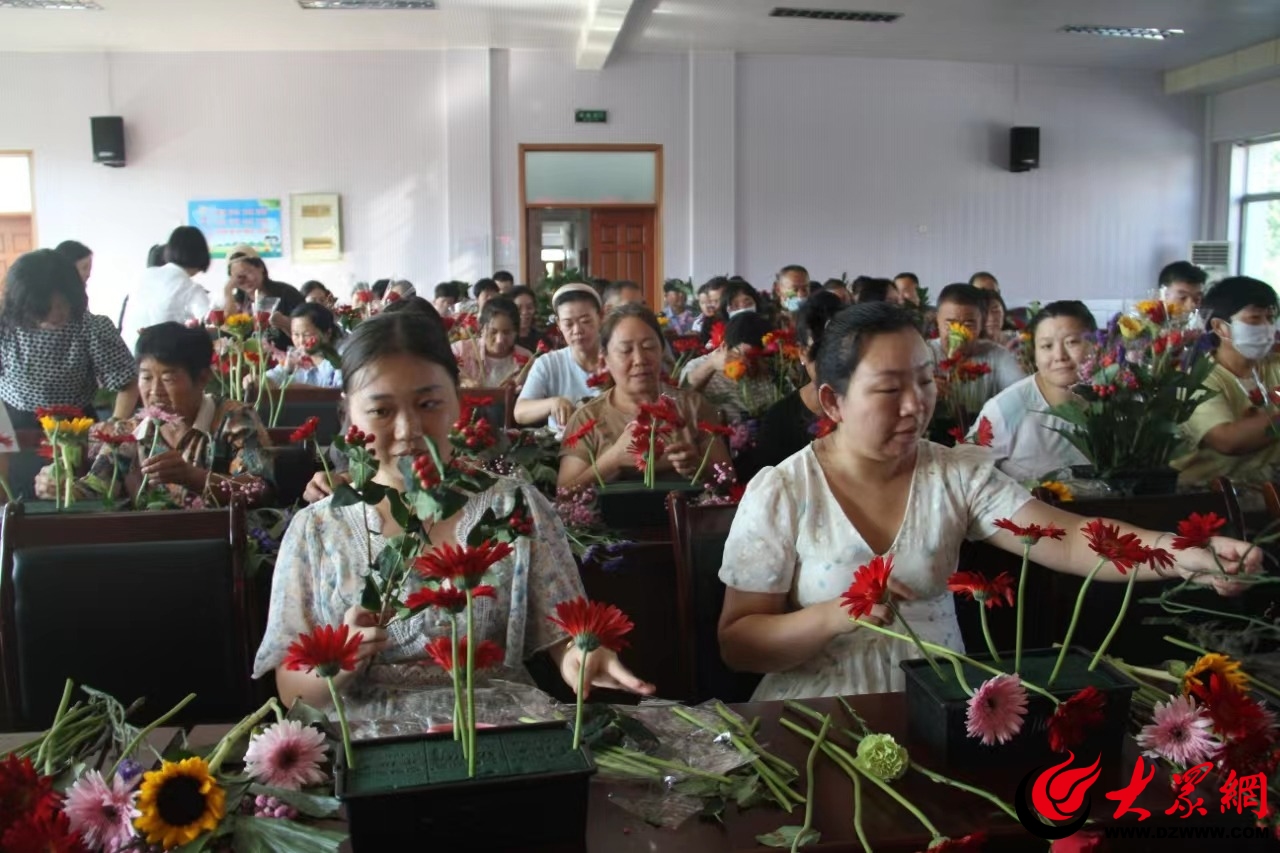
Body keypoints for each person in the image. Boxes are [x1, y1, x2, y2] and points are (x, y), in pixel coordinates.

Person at [716, 302, 1260, 701]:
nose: (915, 405)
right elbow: (739, 645)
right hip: (817, 711)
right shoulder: (785, 491)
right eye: (888, 389)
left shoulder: (954, 475)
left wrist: (1180, 552)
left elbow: (1070, 538)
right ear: (833, 400)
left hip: (943, 701)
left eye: (926, 381)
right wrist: (834, 616)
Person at [252, 311, 654, 718]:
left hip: (496, 731)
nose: (409, 429)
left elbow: (564, 629)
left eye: (428, 404)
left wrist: (580, 656)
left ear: (459, 402)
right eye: (381, 411)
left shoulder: (511, 507)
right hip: (364, 752)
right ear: (348, 415)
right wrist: (340, 662)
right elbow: (292, 690)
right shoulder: (318, 528)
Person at [36, 322, 274, 508]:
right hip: (147, 543)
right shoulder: (128, 433)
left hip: (218, 542)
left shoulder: (235, 419)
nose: (154, 391)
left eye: (168, 378)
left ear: (202, 379)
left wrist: (193, 477)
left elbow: (259, 487)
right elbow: (99, 487)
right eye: (146, 377)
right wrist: (61, 488)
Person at [558, 304, 729, 489]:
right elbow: (564, 495)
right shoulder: (587, 418)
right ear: (605, 358)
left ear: (661, 351)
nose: (640, 359)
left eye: (648, 347)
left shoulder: (692, 406)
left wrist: (698, 466)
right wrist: (613, 460)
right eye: (625, 351)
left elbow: (729, 480)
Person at [0, 250, 137, 428]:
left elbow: (127, 383)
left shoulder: (91, 328)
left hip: (74, 426)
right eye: (41, 309)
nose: (54, 315)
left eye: (60, 305)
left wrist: (115, 423)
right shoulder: (6, 326)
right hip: (13, 422)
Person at [1171, 276, 1280, 489]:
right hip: (1208, 495)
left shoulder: (1274, 365)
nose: (1267, 327)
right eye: (1255, 319)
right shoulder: (1198, 378)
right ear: (1220, 327)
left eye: (1271, 317)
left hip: (1267, 487)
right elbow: (1227, 441)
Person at [972, 301, 1094, 482]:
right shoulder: (1006, 408)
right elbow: (966, 469)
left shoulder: (1114, 402)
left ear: (1096, 345)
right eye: (1046, 346)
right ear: (1035, 354)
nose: (1059, 356)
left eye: (1071, 342)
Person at [739, 291, 844, 482]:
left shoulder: (866, 408)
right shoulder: (781, 419)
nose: (831, 363)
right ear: (802, 353)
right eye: (820, 352)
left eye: (839, 351)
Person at [514, 284, 604, 432]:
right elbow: (520, 412)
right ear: (558, 325)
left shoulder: (617, 358)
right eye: (568, 324)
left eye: (585, 321)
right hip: (561, 449)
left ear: (600, 318)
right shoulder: (548, 363)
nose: (577, 330)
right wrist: (552, 403)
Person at [120, 226, 214, 355]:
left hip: (126, 355)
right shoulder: (190, 288)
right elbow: (212, 322)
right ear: (201, 254)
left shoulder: (143, 275)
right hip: (162, 359)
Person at [930, 283, 1024, 407]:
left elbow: (1021, 394)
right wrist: (922, 388)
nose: (958, 333)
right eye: (950, 324)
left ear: (982, 323)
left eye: (968, 325)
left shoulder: (997, 355)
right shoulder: (924, 353)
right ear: (937, 320)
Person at [680, 312, 776, 422]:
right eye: (748, 356)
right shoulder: (698, 366)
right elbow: (681, 397)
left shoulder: (772, 367)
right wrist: (712, 365)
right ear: (724, 346)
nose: (752, 363)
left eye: (760, 356)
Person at [222, 252, 303, 349]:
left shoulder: (286, 293)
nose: (244, 280)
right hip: (250, 358)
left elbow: (309, 328)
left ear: (261, 268)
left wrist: (286, 322)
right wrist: (227, 292)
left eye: (247, 272)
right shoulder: (237, 301)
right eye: (238, 277)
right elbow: (228, 329)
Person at [451, 296, 532, 388]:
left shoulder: (527, 360)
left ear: (516, 332)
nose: (499, 340)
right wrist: (463, 380)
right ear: (482, 329)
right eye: (493, 332)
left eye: (507, 333)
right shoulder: (461, 351)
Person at [263, 303, 343, 389]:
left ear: (327, 334)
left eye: (307, 334)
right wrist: (258, 381)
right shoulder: (295, 358)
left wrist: (310, 391)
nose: (301, 341)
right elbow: (273, 377)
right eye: (296, 334)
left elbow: (343, 390)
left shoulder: (338, 360)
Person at [510, 285, 544, 353]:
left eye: (529, 307)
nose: (525, 312)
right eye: (518, 308)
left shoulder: (542, 339)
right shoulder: (506, 339)